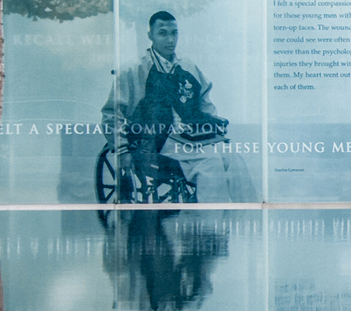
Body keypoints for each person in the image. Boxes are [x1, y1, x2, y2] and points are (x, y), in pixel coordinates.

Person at [102, 11, 252, 202]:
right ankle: (210, 224)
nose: (170, 40)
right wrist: (122, 150)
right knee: (211, 163)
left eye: (174, 33)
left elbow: (205, 104)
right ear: (150, 36)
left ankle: (244, 219)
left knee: (233, 158)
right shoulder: (133, 71)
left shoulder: (188, 67)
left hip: (192, 137)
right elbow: (111, 115)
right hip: (156, 141)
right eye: (163, 33)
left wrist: (213, 134)